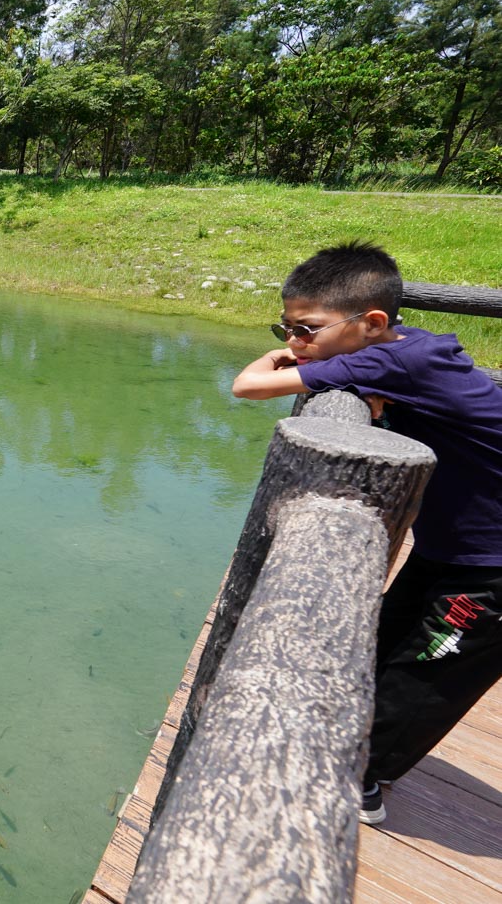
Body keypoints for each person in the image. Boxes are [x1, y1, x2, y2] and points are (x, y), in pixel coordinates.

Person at [231, 239, 502, 825]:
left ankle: (360, 785)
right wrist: (321, 362)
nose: (295, 342)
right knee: (384, 643)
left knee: (427, 673)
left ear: (372, 322)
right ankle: (348, 751)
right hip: (456, 547)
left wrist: (291, 363)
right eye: (284, 329)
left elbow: (246, 385)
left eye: (306, 329)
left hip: (493, 567)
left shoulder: (390, 360)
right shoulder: (410, 347)